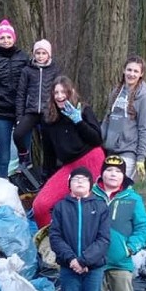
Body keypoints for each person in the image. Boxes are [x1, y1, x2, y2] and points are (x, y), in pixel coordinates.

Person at [49, 167, 110, 291]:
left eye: (84, 179)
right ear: (70, 184)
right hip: (69, 268)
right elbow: (55, 237)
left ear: (92, 184)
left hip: (93, 268)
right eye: (76, 179)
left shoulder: (100, 207)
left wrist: (85, 261)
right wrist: (72, 260)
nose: (80, 182)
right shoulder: (60, 207)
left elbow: (103, 239)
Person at [93, 155, 146, 291]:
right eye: (109, 170)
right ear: (102, 173)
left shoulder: (132, 198)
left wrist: (130, 247)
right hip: (95, 262)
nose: (113, 174)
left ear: (124, 175)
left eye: (117, 171)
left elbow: (143, 227)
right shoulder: (91, 195)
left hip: (120, 261)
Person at [32, 76, 105, 229]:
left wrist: (78, 121)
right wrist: (46, 179)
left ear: (70, 92)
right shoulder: (48, 119)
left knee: (90, 206)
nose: (60, 96)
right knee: (41, 205)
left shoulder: (83, 109)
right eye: (56, 92)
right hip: (70, 167)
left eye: (63, 92)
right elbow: (49, 152)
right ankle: (50, 245)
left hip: (91, 159)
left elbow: (97, 139)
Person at [0, 19, 30, 177]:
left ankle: (26, 191)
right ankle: (1, 190)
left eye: (8, 37)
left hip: (22, 113)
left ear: (14, 38)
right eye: (2, 38)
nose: (6, 40)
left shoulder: (23, 57)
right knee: (3, 158)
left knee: (25, 157)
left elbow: (32, 85)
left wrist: (34, 115)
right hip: (0, 113)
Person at [101, 55, 146, 181]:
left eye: (136, 71)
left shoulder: (144, 98)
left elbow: (145, 128)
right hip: (110, 150)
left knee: (119, 188)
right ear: (124, 70)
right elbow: (107, 120)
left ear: (141, 74)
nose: (132, 74)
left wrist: (141, 158)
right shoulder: (116, 93)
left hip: (128, 152)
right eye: (129, 70)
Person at [14, 39, 61, 168]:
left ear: (49, 55)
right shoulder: (27, 70)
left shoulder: (54, 70)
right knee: (18, 134)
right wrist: (19, 116)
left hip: (47, 112)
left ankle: (47, 172)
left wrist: (57, 113)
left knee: (47, 143)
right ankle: (24, 157)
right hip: (31, 111)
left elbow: (59, 92)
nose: (40, 56)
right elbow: (21, 94)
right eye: (38, 53)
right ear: (34, 54)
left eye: (43, 53)